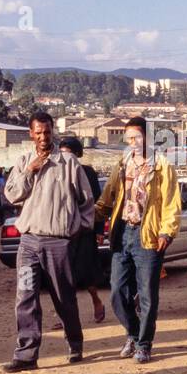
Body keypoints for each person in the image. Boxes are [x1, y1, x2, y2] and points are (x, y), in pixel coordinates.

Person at [2, 112, 95, 371]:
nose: (43, 137)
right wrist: (30, 171)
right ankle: (26, 354)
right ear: (31, 134)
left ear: (53, 131)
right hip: (29, 243)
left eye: (47, 132)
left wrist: (77, 227)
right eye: (38, 132)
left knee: (63, 297)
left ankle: (75, 343)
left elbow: (86, 202)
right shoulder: (23, 162)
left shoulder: (68, 163)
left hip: (58, 243)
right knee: (25, 297)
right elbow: (11, 195)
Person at [95, 118, 181, 363]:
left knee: (147, 295)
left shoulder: (162, 166)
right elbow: (108, 196)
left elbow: (171, 203)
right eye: (129, 139)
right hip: (122, 233)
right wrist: (91, 217)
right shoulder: (122, 163)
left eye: (137, 138)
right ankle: (133, 334)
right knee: (117, 291)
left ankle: (144, 344)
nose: (132, 143)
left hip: (149, 235)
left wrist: (167, 232)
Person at [58, 137, 107, 324]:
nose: (65, 158)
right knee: (62, 275)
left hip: (83, 230)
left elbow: (96, 203)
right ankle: (66, 316)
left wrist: (99, 230)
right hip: (61, 231)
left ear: (77, 154)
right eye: (61, 153)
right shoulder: (53, 171)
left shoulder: (87, 172)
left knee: (86, 273)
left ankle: (96, 300)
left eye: (68, 153)